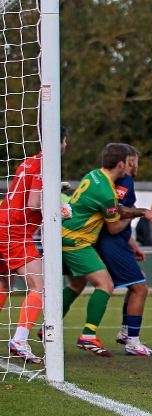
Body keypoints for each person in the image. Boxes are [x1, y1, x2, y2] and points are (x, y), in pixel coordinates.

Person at [62, 143, 152, 357]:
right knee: (113, 285)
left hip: (64, 235)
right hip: (77, 240)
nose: (131, 165)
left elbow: (116, 209)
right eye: (129, 161)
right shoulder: (110, 188)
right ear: (122, 163)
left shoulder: (93, 175)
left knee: (76, 285)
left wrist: (132, 241)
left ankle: (46, 328)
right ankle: (100, 337)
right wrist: (141, 213)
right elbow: (114, 225)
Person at [0, 126, 68, 364]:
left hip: (3, 223)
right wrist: (59, 210)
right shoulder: (43, 165)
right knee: (39, 284)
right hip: (15, 231)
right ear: (59, 142)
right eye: (65, 142)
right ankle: (19, 339)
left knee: (4, 283)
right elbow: (34, 202)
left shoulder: (30, 161)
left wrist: (57, 188)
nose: (65, 146)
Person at [94, 145, 152, 356]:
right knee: (140, 288)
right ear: (130, 161)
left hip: (117, 242)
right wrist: (140, 213)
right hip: (111, 242)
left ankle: (125, 331)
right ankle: (133, 342)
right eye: (136, 160)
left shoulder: (115, 180)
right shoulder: (125, 181)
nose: (137, 165)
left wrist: (132, 245)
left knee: (137, 280)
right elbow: (117, 216)